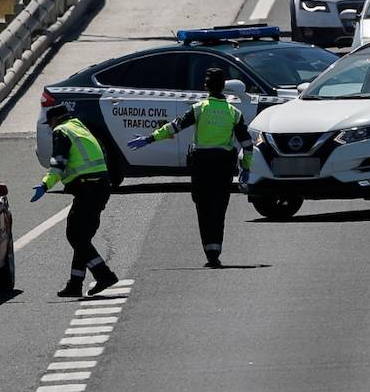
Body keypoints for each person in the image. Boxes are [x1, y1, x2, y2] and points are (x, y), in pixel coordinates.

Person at [127, 68, 253, 267]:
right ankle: (216, 250)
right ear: (224, 87)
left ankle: (210, 252)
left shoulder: (199, 108)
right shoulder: (234, 113)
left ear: (205, 86)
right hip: (223, 166)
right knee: (219, 208)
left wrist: (149, 138)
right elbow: (247, 145)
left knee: (203, 207)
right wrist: (246, 168)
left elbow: (174, 126)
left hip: (202, 164)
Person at [31, 105, 120, 297]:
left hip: (88, 188)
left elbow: (58, 164)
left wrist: (45, 185)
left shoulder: (61, 131)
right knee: (82, 238)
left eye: (50, 124)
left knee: (75, 235)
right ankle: (75, 283)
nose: (49, 127)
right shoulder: (79, 127)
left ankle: (104, 275)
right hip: (100, 186)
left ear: (55, 120)